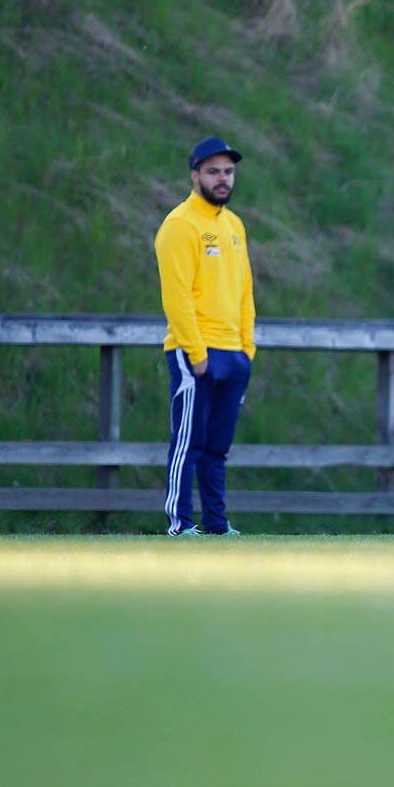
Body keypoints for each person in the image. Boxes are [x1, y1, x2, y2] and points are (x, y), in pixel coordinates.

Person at [155, 136, 256, 536]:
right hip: (194, 352)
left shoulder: (234, 226)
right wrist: (196, 353)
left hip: (234, 353)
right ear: (195, 175)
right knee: (188, 444)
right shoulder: (179, 225)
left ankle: (217, 524)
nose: (222, 179)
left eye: (228, 171)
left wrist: (246, 348)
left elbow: (245, 291)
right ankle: (180, 524)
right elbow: (176, 296)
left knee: (217, 448)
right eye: (213, 171)